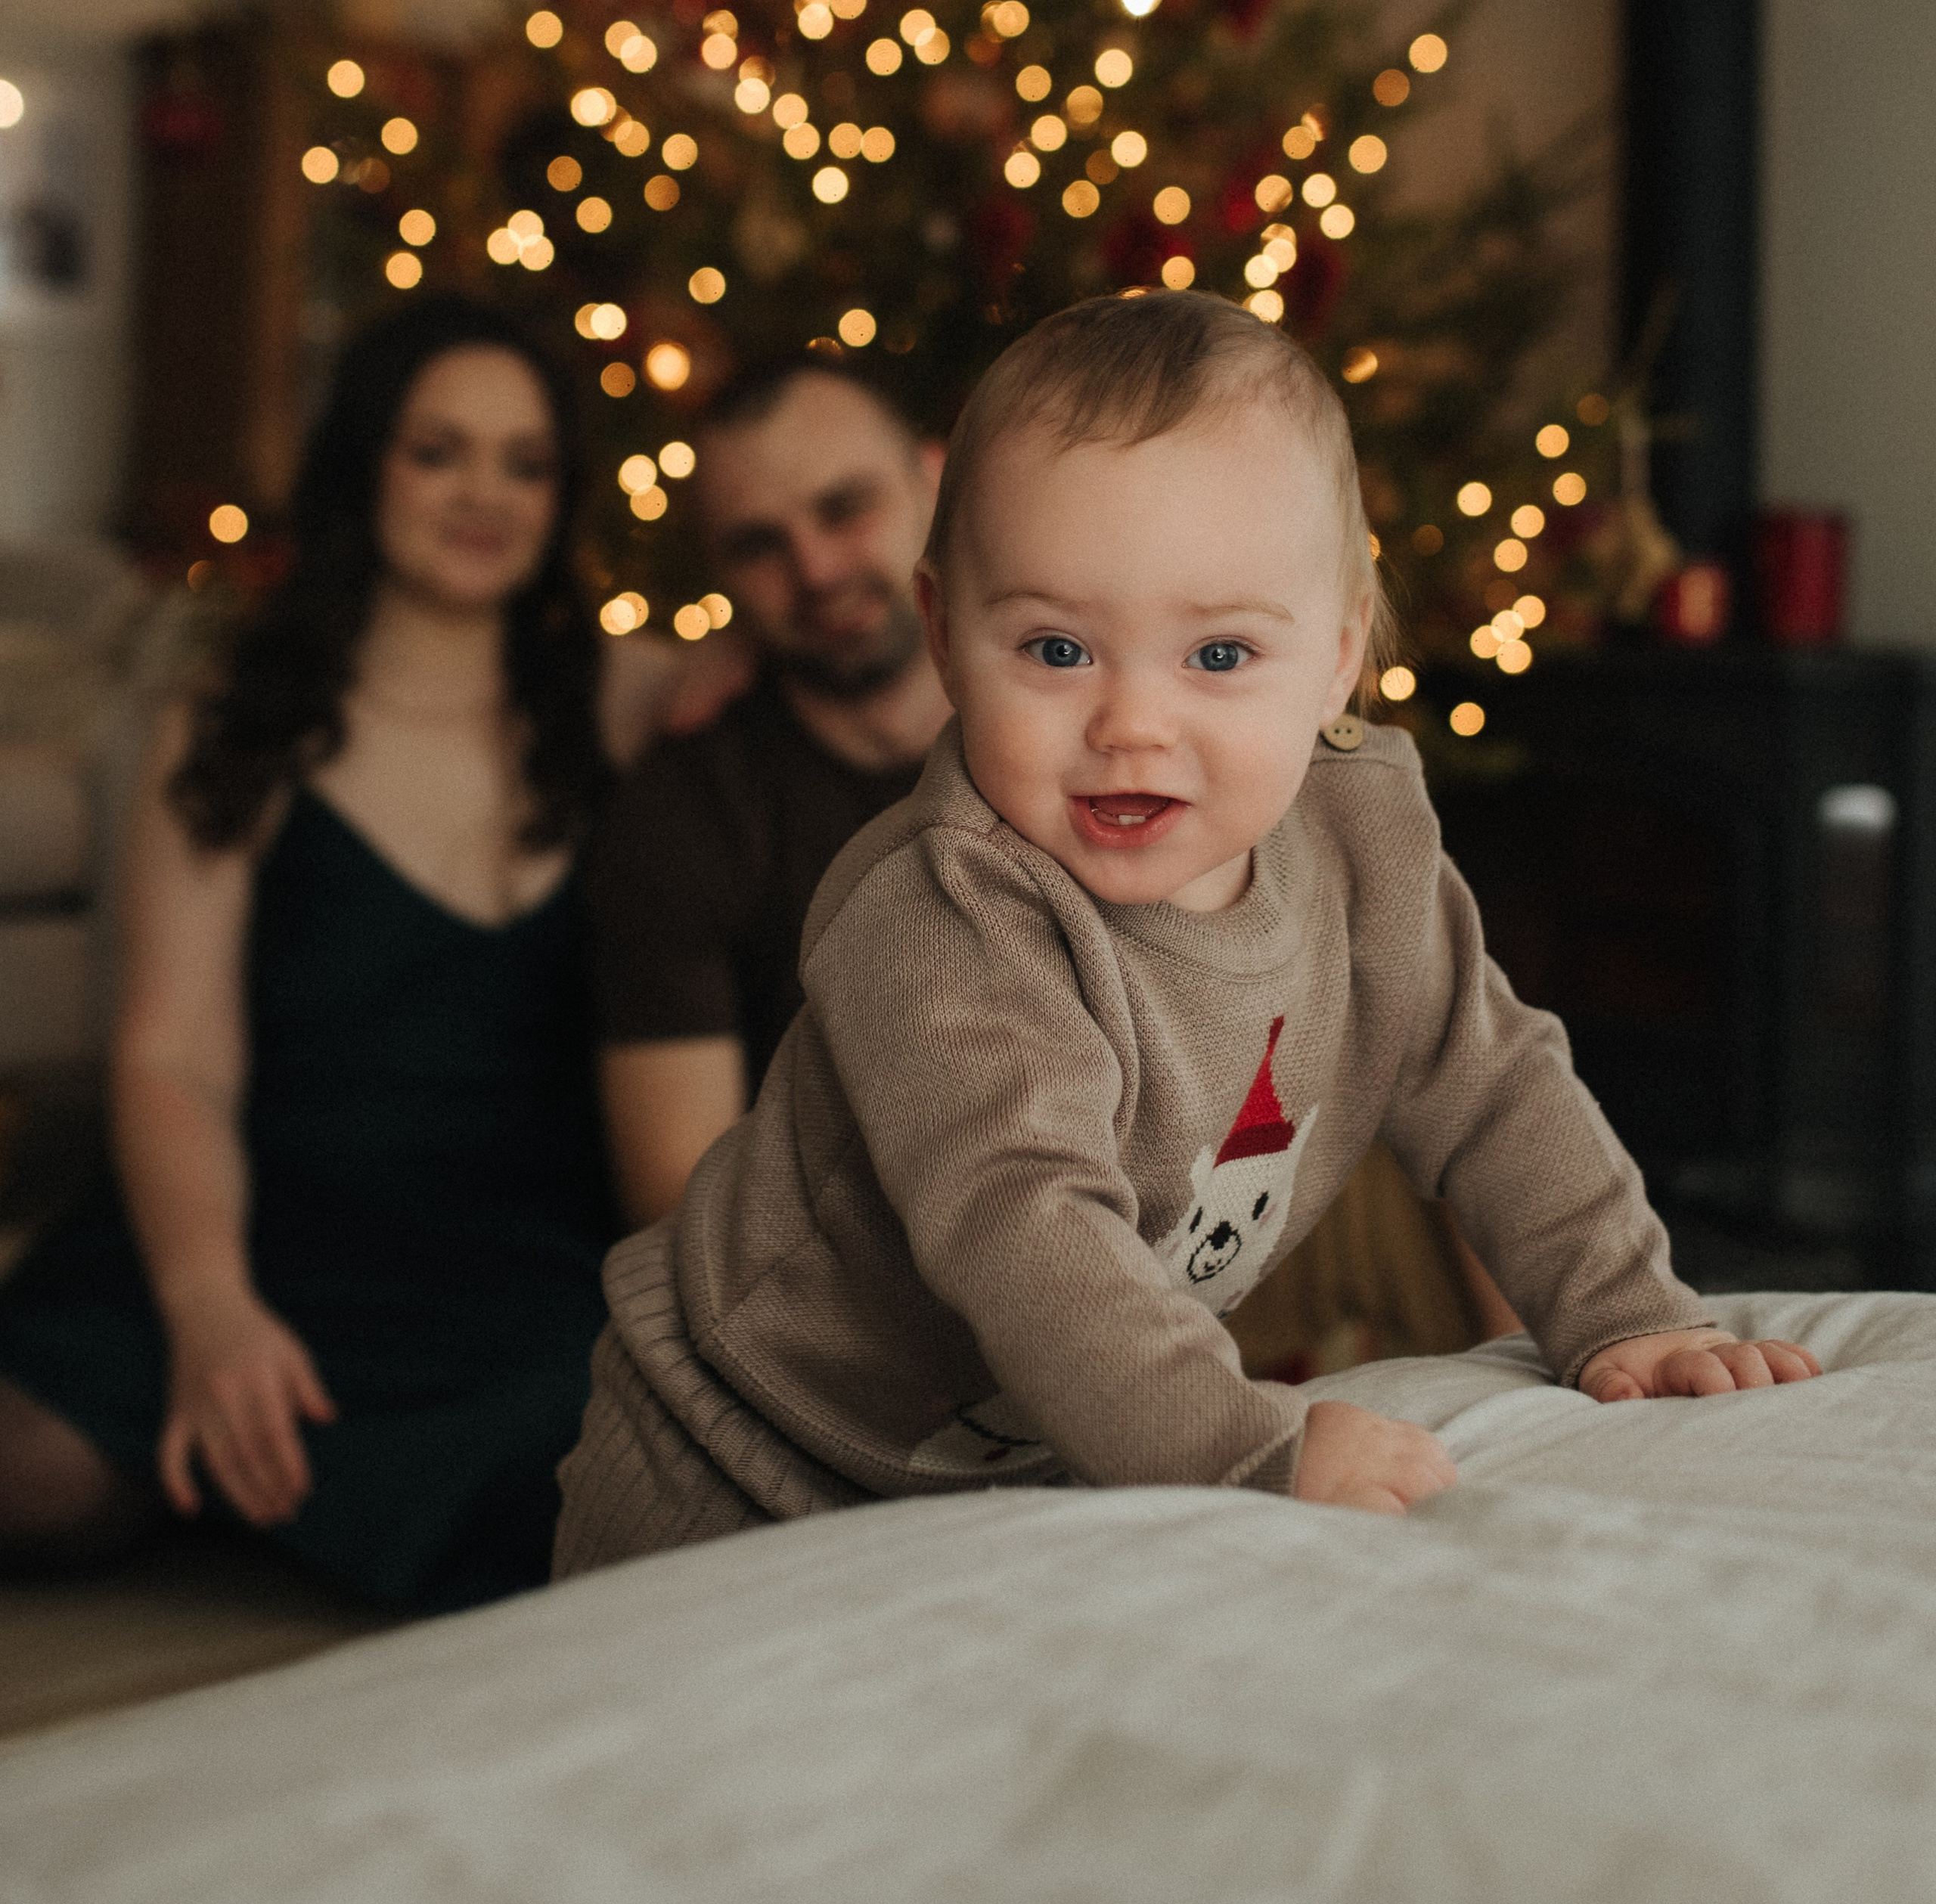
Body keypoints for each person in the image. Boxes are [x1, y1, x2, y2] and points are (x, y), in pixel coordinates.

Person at [556, 291, 1819, 1568]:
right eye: (1057, 647)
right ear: (945, 636)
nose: (1132, 723)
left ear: (1337, 659)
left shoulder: (1364, 847)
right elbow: (1027, 1231)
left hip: (1007, 1473)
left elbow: (1494, 1083)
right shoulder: (944, 916)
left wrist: (1624, 1316)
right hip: (736, 1450)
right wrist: (1248, 1448)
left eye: (1218, 656)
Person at [0, 296, 690, 1610]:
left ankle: (291, 1485)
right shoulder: (234, 721)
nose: (484, 492)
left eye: (525, 461)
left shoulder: (625, 696)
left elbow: (839, 670)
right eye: (439, 449)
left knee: (614, 1463)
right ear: (364, 463)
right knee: (35, 1470)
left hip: (510, 1273)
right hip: (254, 1225)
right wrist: (208, 1307)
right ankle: (246, 1448)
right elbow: (172, 1053)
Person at [590, 357, 950, 1229]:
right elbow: (680, 1202)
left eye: (844, 507)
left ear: (937, 480)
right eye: (758, 544)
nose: (816, 569)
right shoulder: (685, 808)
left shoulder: (1081, 713)